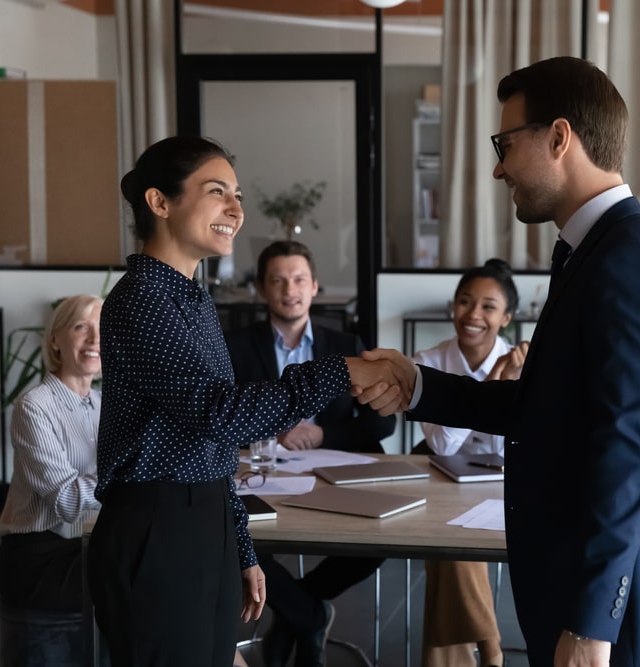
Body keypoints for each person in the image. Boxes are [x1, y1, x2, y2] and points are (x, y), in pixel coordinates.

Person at [359, 56, 640, 666]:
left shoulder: (629, 259)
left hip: (614, 617)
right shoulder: (590, 251)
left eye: (506, 144)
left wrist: (592, 622)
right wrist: (418, 387)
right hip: (575, 592)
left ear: (560, 137)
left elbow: (632, 451)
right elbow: (548, 406)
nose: (497, 167)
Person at [86, 136, 400, 666]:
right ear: (160, 203)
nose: (237, 209)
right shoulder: (142, 298)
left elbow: (212, 448)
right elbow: (221, 414)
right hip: (155, 526)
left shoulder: (192, 298)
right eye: (217, 192)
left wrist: (241, 547)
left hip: (203, 515)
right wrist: (341, 370)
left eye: (236, 194)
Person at [225, 240, 394, 666]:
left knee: (377, 544)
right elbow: (218, 418)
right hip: (262, 474)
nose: (290, 289)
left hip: (331, 475)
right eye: (278, 280)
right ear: (263, 289)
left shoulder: (345, 343)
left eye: (299, 279)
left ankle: (300, 613)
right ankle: (307, 614)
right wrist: (273, 430)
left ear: (315, 286)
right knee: (236, 537)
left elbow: (382, 425)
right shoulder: (235, 346)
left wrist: (322, 434)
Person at [412, 258, 527, 667]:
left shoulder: (528, 365)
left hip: (506, 488)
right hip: (444, 485)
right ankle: (491, 649)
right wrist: (492, 386)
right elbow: (442, 445)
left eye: (488, 306)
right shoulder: (428, 360)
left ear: (507, 317)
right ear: (453, 307)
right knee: (452, 541)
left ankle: (476, 652)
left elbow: (516, 444)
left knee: (451, 547)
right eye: (464, 302)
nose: (473, 315)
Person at [0, 294, 103, 616]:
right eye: (82, 327)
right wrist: (133, 471)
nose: (95, 339)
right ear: (55, 339)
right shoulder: (34, 406)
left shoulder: (102, 403)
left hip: (88, 545)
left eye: (102, 328)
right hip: (40, 557)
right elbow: (68, 502)